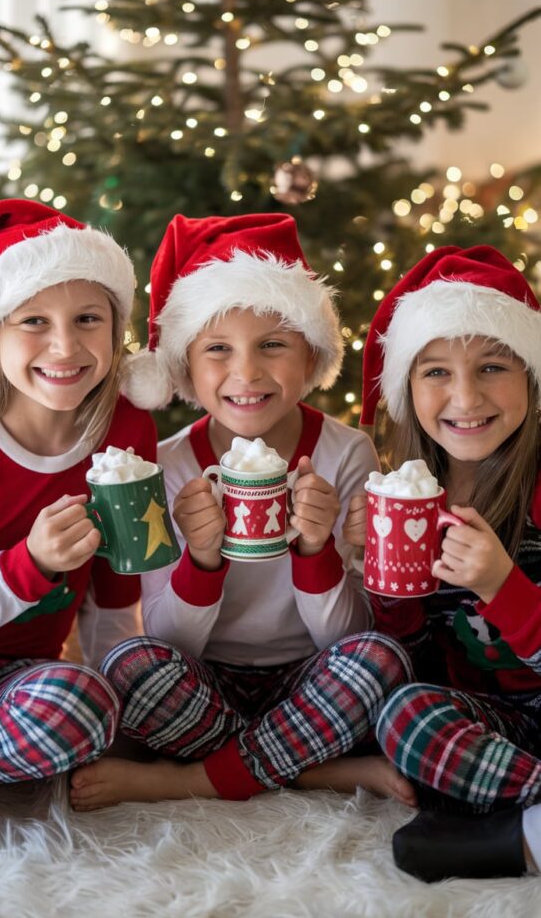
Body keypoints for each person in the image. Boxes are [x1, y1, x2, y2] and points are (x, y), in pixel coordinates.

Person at [70, 212, 416, 810]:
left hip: (310, 678)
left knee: (380, 660)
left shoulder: (346, 453)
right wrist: (202, 560)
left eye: (273, 345)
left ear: (311, 358)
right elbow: (171, 638)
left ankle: (191, 780)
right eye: (218, 350)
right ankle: (311, 769)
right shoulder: (169, 464)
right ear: (183, 367)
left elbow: (347, 634)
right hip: (208, 681)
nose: (247, 372)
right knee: (131, 662)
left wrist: (315, 553)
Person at [345, 244, 541, 881]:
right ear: (406, 387)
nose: (465, 396)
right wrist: (389, 581)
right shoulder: (407, 492)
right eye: (435, 372)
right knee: (404, 715)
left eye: (492, 366)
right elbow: (414, 654)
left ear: (532, 378)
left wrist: (500, 585)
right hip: (496, 725)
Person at [0, 198, 157, 817]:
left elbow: (115, 590)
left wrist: (118, 696)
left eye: (86, 319)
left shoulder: (125, 429)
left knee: (87, 702)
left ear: (114, 328)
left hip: (23, 682)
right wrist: (30, 565)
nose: (64, 346)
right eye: (33, 322)